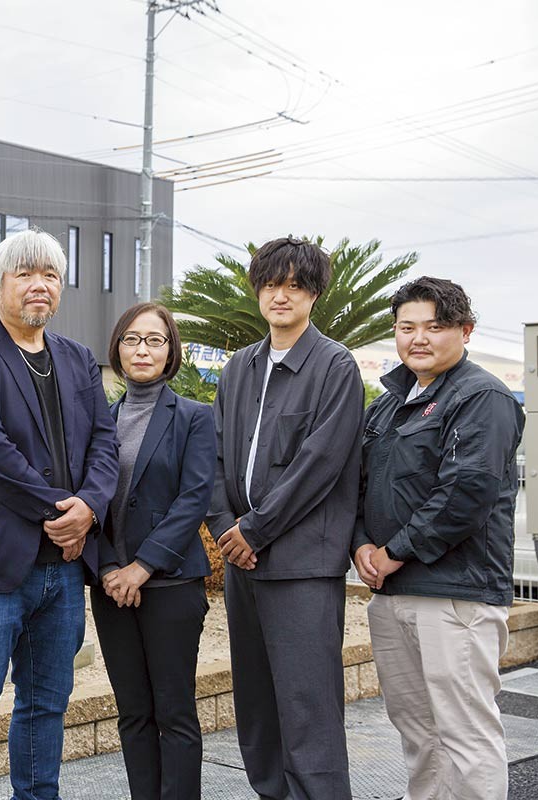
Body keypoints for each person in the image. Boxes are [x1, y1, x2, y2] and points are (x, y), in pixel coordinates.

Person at [0, 228, 119, 800]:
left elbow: (103, 445)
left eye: (50, 276)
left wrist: (89, 507)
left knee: (45, 706)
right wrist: (62, 511)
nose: (40, 286)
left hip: (62, 568)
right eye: (25, 274)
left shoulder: (78, 359)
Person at [205, 236, 363, 800]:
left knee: (308, 705)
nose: (281, 295)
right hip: (241, 562)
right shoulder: (238, 367)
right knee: (256, 700)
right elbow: (215, 456)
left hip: (301, 565)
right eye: (272, 283)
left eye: (295, 285)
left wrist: (253, 529)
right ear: (258, 289)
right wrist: (228, 529)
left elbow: (319, 464)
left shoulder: (334, 365)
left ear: (314, 294)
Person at [353, 277, 523, 800]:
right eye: (407, 327)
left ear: (465, 331)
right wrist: (359, 543)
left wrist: (394, 552)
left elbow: (465, 493)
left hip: (456, 594)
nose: (418, 338)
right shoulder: (389, 404)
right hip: (393, 592)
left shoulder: (482, 396)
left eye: (435, 325)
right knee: (417, 730)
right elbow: (358, 484)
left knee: (466, 732)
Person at [92, 302, 216, 800]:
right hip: (110, 587)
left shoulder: (193, 418)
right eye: (132, 339)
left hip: (170, 585)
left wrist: (141, 568)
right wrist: (107, 568)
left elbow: (194, 498)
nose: (142, 349)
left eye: (154, 340)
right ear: (118, 350)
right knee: (133, 712)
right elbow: (90, 499)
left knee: (175, 711)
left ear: (171, 351)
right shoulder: (98, 419)